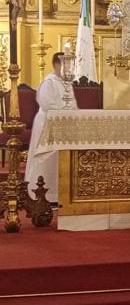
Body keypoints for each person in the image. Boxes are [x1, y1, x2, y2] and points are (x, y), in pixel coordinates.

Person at [25, 53, 77, 204]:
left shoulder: (66, 83)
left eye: (69, 65)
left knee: (59, 160)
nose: (67, 68)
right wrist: (66, 110)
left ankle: (58, 194)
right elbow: (47, 104)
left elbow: (73, 104)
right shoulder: (48, 82)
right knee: (45, 157)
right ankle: (42, 195)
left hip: (63, 125)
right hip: (47, 123)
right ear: (55, 65)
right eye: (64, 64)